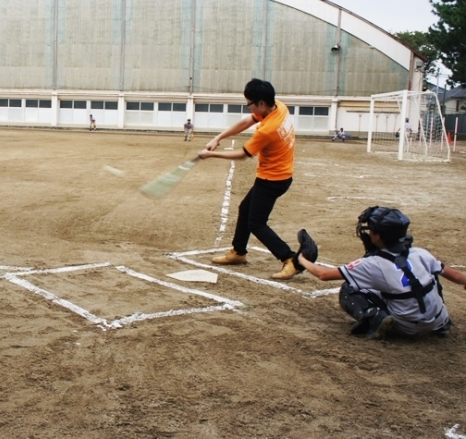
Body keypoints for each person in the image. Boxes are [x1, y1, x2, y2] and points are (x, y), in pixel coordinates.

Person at [297, 206, 466, 339]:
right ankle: (443, 324)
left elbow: (323, 275)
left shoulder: (372, 264)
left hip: (407, 327)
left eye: (371, 230)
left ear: (378, 236)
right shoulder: (421, 254)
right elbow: (458, 277)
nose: (368, 232)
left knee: (349, 287)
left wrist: (302, 260)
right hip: (437, 319)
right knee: (431, 274)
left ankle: (376, 318)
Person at [199, 78, 300, 280]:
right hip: (279, 175)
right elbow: (247, 121)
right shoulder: (279, 106)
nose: (249, 107)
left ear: (261, 103)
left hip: (272, 179)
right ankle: (239, 252)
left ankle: (290, 259)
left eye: (250, 103)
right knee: (245, 209)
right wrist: (218, 138)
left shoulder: (268, 129)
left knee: (256, 223)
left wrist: (212, 155)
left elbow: (243, 154)